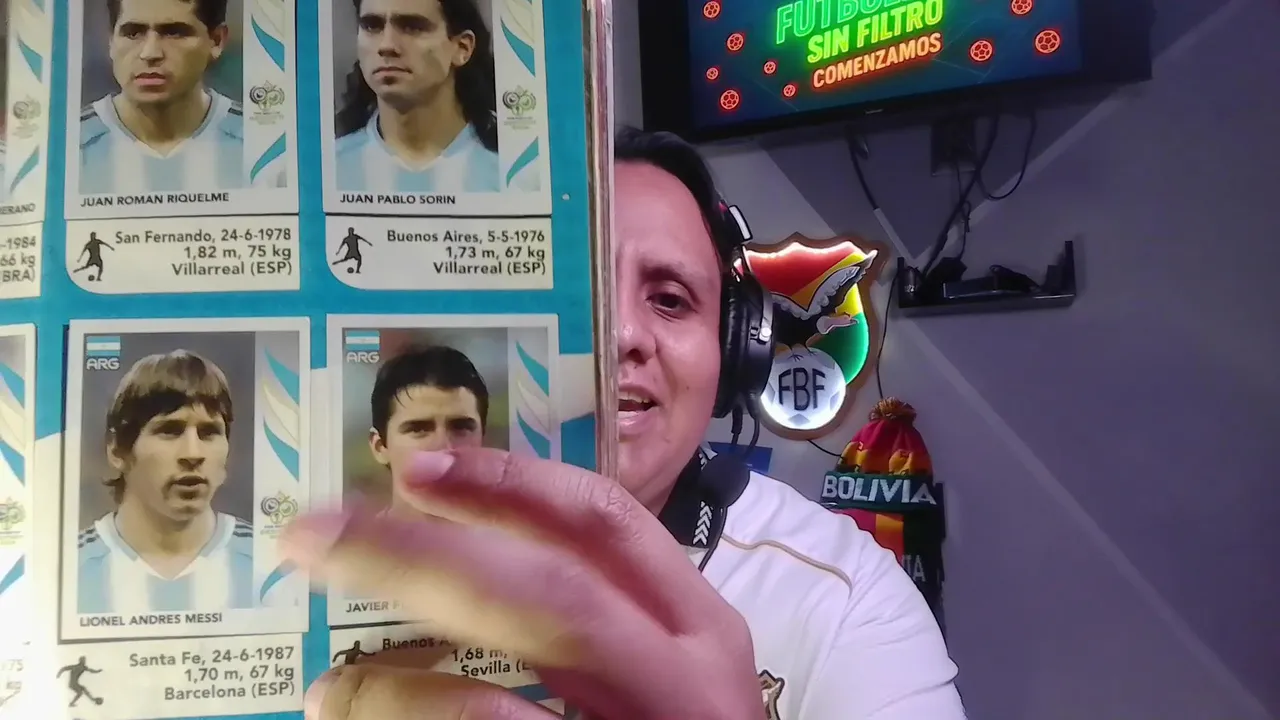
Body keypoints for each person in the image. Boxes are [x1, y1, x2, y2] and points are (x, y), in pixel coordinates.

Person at [284, 129, 965, 719]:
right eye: (579, 294)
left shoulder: (847, 600)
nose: (619, 335)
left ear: (736, 347)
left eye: (669, 299)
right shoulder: (338, 555)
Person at [77, 350, 255, 614]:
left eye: (209, 432)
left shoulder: (272, 563)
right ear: (117, 450)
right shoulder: (67, 568)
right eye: (169, 431)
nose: (193, 454)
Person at [79, 0, 284, 195]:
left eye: (174, 33)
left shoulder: (268, 148)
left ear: (216, 41)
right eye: (133, 33)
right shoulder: (72, 146)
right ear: (111, 41)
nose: (150, 53)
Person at [334, 0, 533, 193]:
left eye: (412, 27)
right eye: (371, 26)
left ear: (462, 48)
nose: (386, 45)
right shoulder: (331, 169)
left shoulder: (518, 172)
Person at [367, 344, 487, 514]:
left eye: (460, 427)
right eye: (418, 429)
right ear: (379, 447)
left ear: (483, 438)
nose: (443, 446)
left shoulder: (520, 531)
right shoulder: (347, 532)